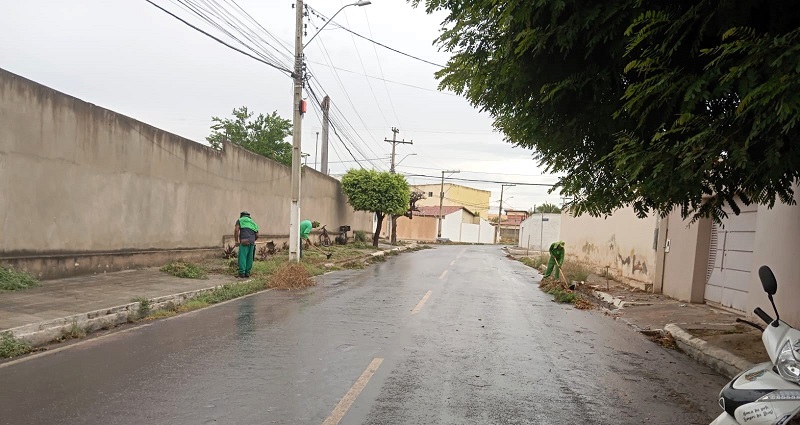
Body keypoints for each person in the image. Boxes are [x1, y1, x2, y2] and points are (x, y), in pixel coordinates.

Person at [234, 211, 259, 278]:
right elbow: (257, 235)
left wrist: (236, 241)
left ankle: (242, 273)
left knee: (242, 256)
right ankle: (247, 273)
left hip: (244, 241)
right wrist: (253, 240)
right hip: (252, 242)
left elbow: (236, 230)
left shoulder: (240, 220)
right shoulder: (253, 223)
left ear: (241, 215)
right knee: (250, 257)